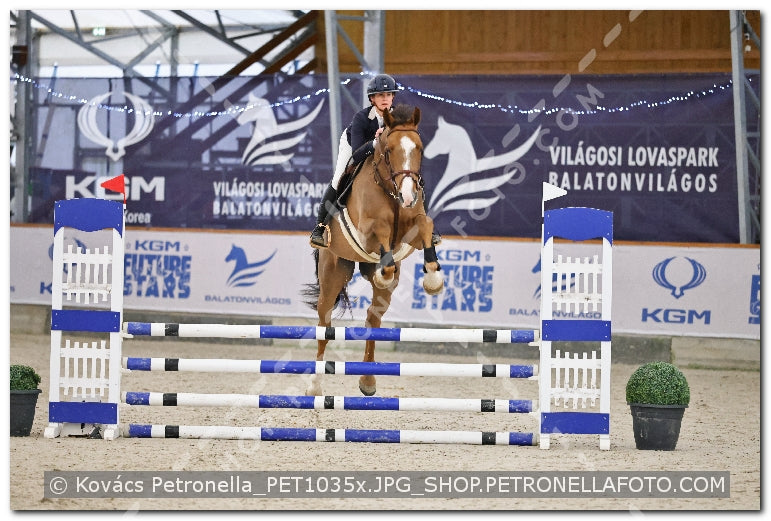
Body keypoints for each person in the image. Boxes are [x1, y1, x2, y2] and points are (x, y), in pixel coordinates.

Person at [310, 73, 441, 249]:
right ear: (372, 99)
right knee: (338, 178)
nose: (385, 99)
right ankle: (319, 228)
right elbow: (356, 154)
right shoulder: (361, 118)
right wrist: (375, 143)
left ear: (393, 97)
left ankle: (427, 226)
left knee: (413, 179)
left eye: (388, 95)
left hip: (386, 153)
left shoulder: (399, 117)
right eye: (380, 95)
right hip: (354, 146)